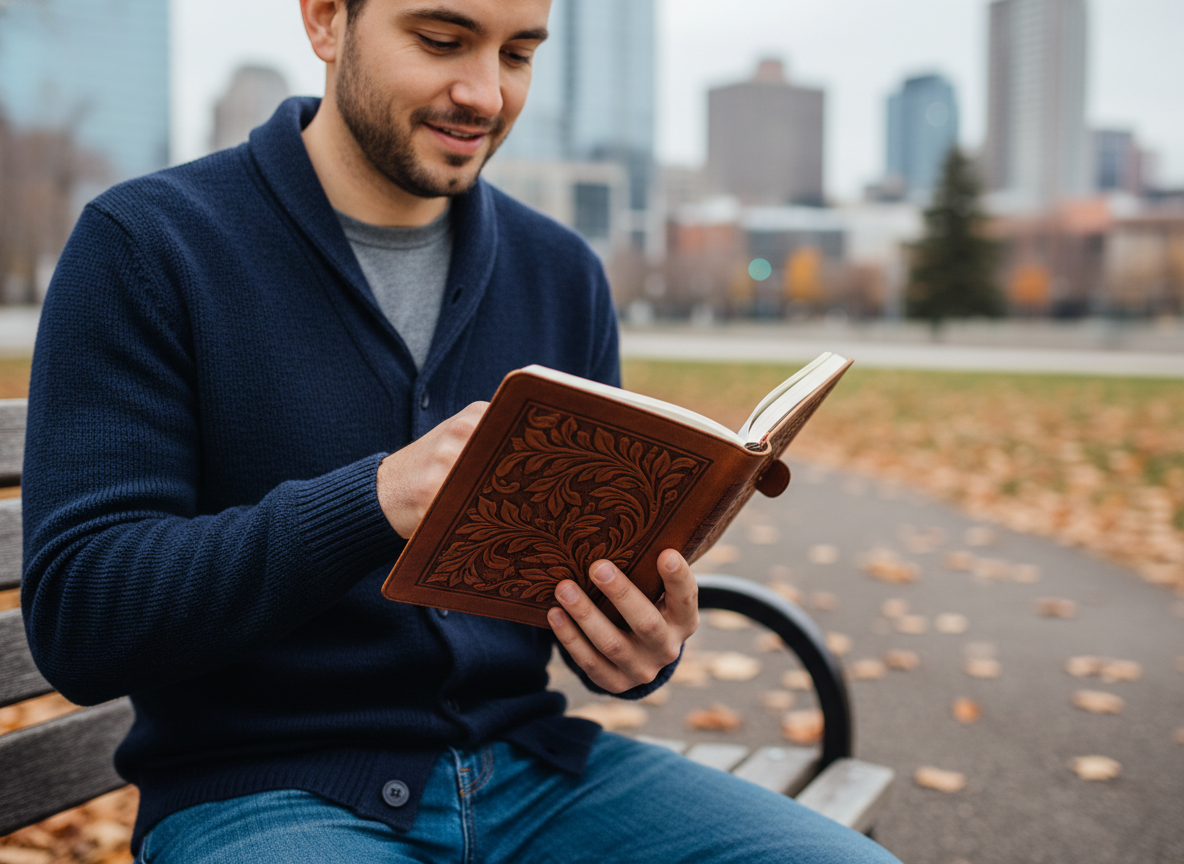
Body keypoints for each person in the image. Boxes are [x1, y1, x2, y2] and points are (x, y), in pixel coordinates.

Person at [21, 0, 900, 861]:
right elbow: (81, 621)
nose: (485, 93)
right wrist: (371, 500)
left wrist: (637, 644)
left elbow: (574, 586)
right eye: (443, 40)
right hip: (264, 796)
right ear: (327, 20)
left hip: (537, 774)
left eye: (518, 54)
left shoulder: (560, 271)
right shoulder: (148, 245)